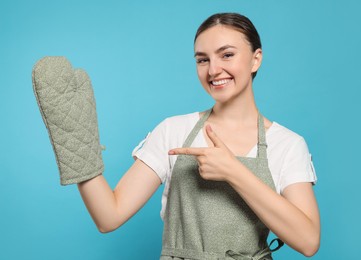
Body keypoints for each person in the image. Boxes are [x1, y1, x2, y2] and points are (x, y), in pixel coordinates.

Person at [35, 12, 320, 260]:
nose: (213, 69)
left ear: (255, 59)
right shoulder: (174, 131)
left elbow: (308, 242)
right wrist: (75, 144)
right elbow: (109, 216)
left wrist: (234, 171)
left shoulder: (287, 144)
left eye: (227, 55)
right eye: (202, 59)